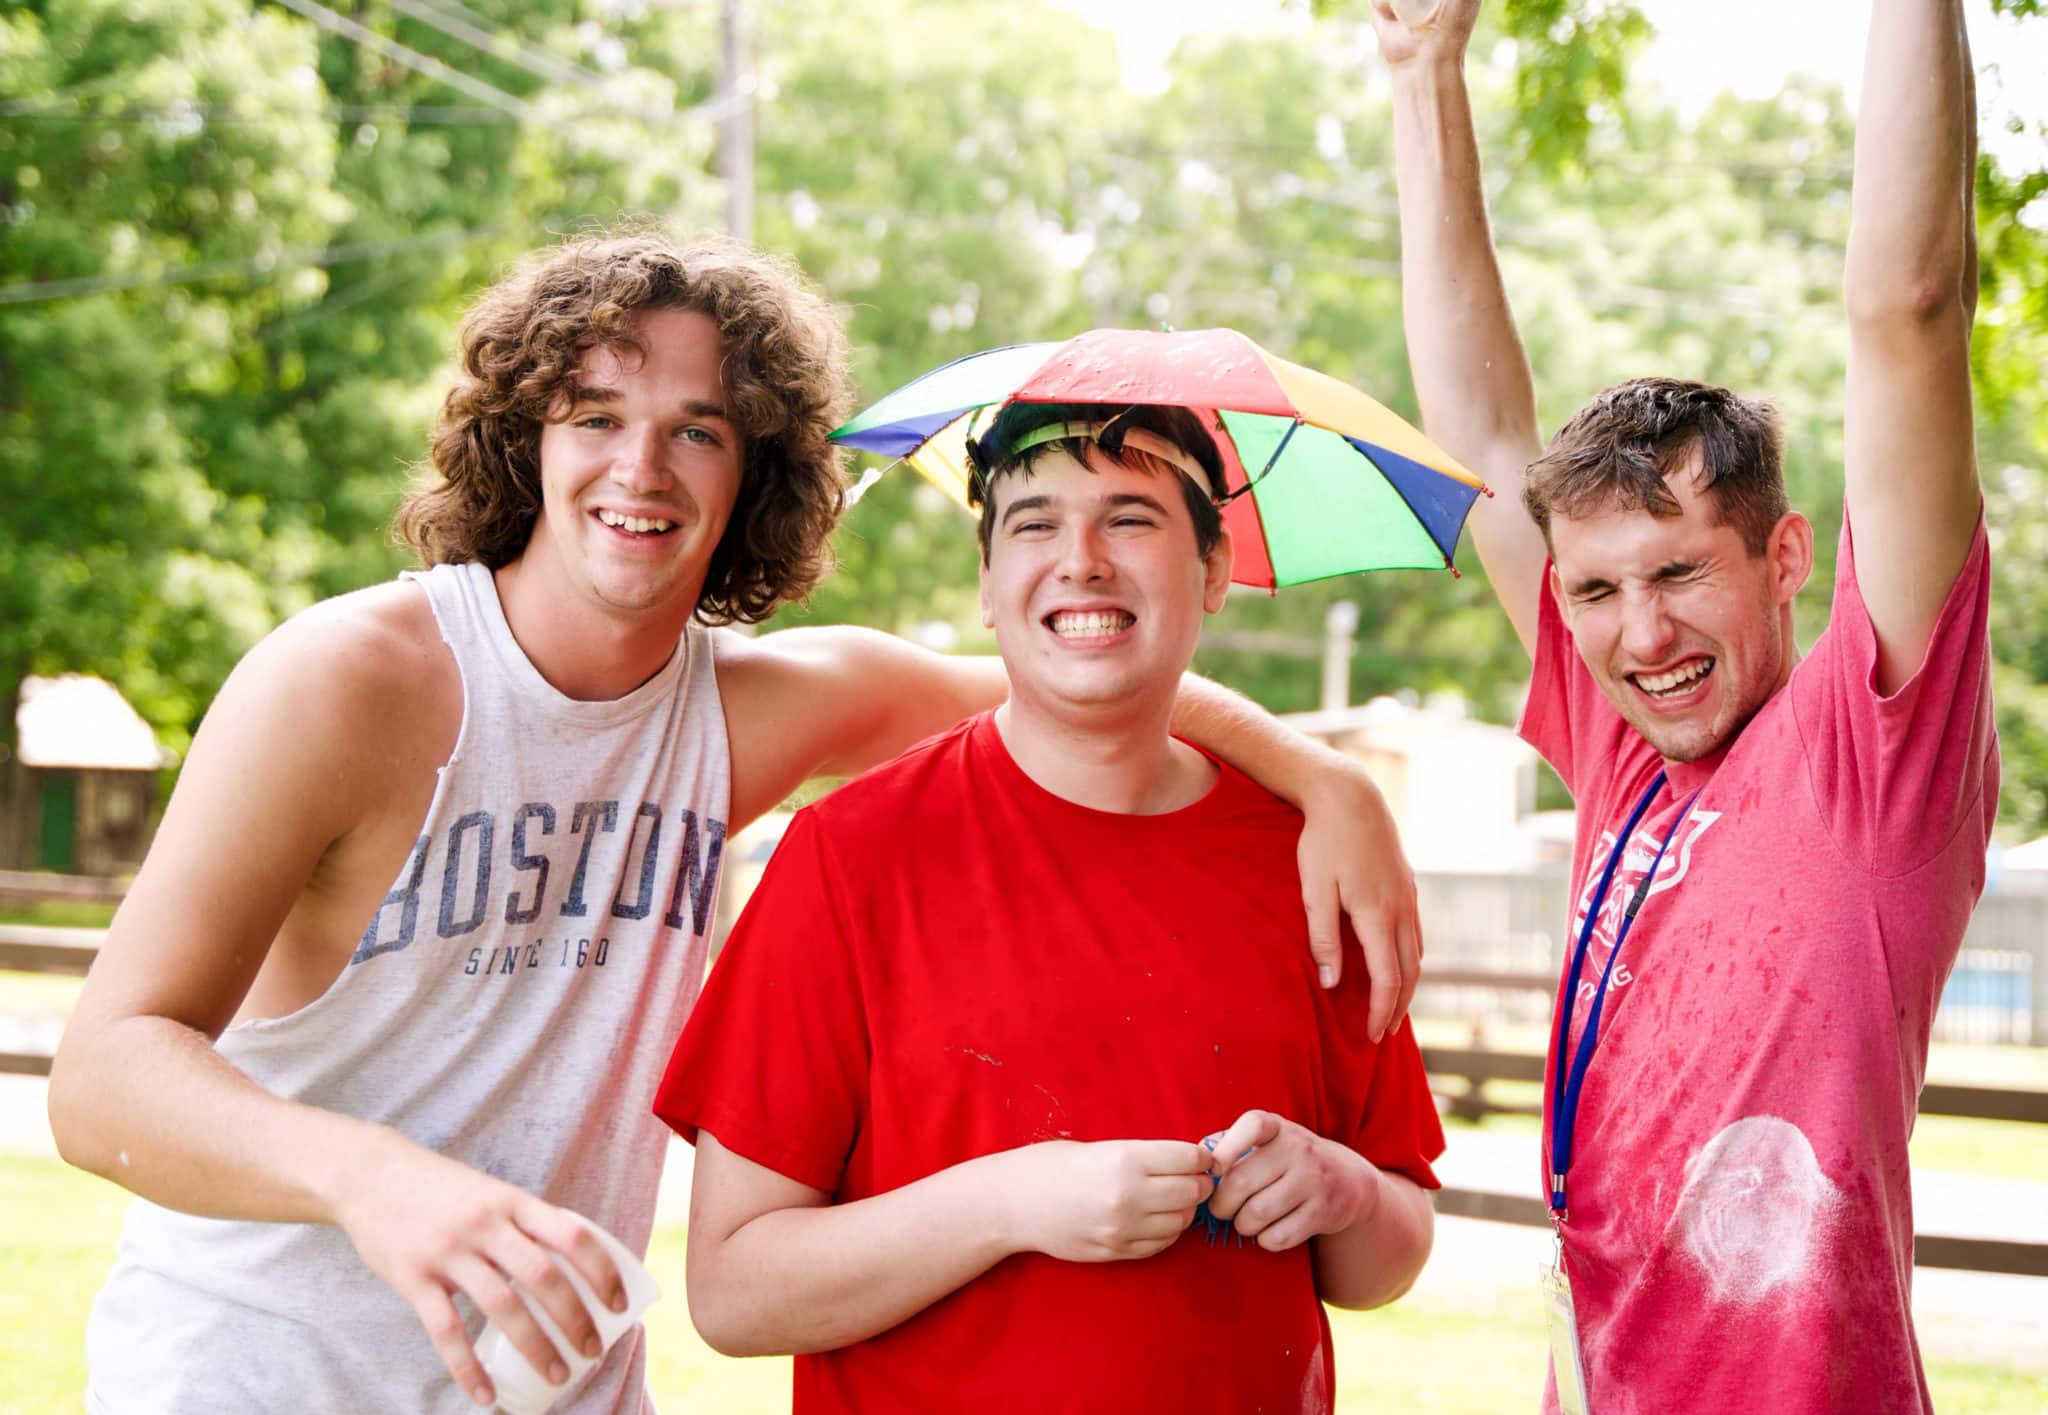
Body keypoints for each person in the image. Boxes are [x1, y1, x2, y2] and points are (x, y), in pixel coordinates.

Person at [46, 232, 1425, 1414]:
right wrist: (376, 1181)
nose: (641, 466)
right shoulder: (354, 680)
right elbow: (102, 1072)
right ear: (526, 440)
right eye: (595, 416)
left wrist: (1327, 781)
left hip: (561, 1384)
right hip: (263, 1372)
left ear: (751, 470)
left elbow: (1089, 669)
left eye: (696, 429)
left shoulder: (759, 710)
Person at [1372, 1, 1993, 1409]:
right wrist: (1423, 69)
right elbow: (1479, 436)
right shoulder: (1622, 745)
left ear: (1785, 557)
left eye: (1679, 572)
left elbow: (1909, 308)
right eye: (1595, 589)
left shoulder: (1872, 743)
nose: (1640, 633)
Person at [655, 401, 1446, 1413]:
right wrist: (1009, 1202)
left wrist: (1343, 1189)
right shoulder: (847, 859)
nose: (1080, 561)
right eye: (1035, 523)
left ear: (1212, 570)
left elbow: (1385, 1257)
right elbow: (732, 1291)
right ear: (988, 581)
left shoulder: (1311, 865)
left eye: (1130, 518)